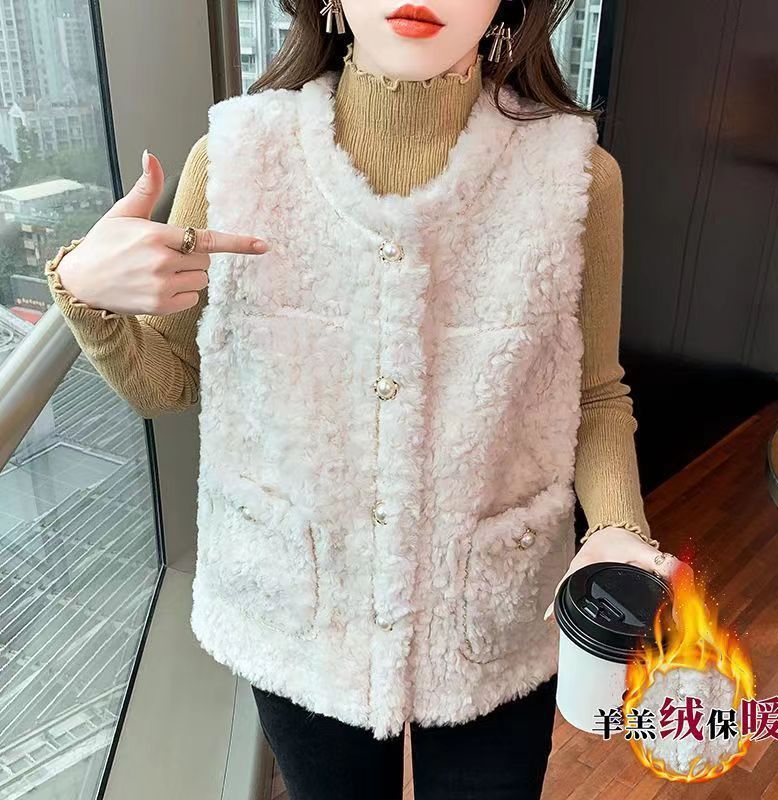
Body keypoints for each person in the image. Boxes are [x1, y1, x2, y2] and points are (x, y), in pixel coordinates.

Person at [43, 1, 692, 798]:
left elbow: (593, 396)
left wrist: (620, 529)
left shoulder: (577, 174)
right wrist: (84, 293)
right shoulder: (238, 158)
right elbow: (169, 380)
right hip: (304, 611)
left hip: (493, 605)